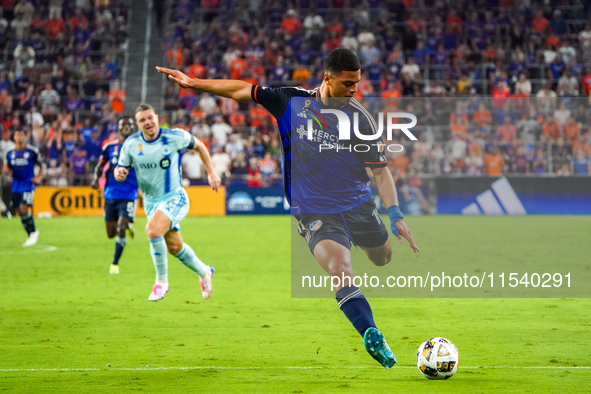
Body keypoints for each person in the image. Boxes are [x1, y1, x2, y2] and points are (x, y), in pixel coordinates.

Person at [156, 48, 420, 369]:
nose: (354, 90)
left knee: (383, 257)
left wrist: (395, 214)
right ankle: (372, 333)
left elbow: (380, 169)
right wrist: (195, 83)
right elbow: (243, 90)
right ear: (327, 79)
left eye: (357, 83)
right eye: (348, 83)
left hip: (357, 203)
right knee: (340, 271)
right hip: (312, 209)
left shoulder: (358, 117)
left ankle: (366, 251)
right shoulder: (290, 100)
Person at [114, 104, 221, 302]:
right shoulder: (131, 144)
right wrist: (118, 173)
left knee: (152, 231)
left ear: (157, 117)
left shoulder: (173, 137)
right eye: (142, 120)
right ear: (138, 124)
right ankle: (204, 271)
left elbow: (199, 145)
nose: (148, 122)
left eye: (150, 117)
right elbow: (120, 169)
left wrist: (212, 172)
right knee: (174, 246)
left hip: (175, 197)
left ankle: (161, 282)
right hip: (151, 203)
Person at [91, 116, 139, 274]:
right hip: (111, 194)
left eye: (129, 125)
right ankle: (128, 225)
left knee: (120, 228)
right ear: (118, 128)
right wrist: (96, 179)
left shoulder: (140, 148)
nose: (126, 127)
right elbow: (100, 164)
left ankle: (114, 264)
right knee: (111, 233)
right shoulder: (109, 147)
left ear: (134, 128)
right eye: (123, 125)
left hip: (129, 194)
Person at [2, 128, 44, 246]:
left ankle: (33, 233)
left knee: (23, 208)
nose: (19, 137)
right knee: (19, 211)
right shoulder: (10, 153)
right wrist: (5, 170)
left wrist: (39, 177)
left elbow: (42, 165)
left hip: (28, 184)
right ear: (14, 137)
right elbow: (7, 167)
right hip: (15, 185)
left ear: (24, 137)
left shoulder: (31, 151)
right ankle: (31, 233)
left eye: (21, 135)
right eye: (17, 135)